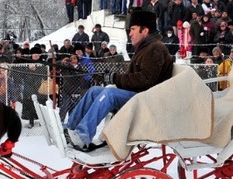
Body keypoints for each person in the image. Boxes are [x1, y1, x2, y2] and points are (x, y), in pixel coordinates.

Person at [65, 10, 174, 151]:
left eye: (133, 29)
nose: (130, 33)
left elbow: (146, 80)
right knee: (94, 91)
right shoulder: (145, 48)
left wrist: (116, 78)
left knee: (109, 94)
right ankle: (69, 129)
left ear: (145, 30)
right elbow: (135, 77)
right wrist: (113, 77)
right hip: (138, 96)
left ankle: (82, 135)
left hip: (147, 102)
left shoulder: (155, 49)